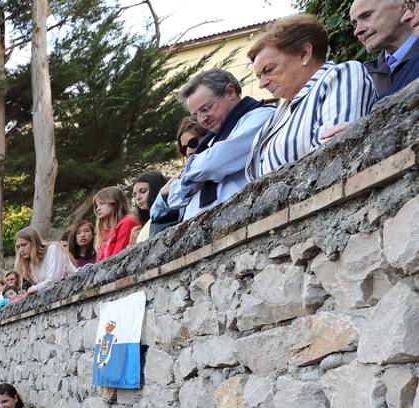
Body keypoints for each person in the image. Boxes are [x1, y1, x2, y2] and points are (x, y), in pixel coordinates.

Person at [246, 15, 377, 180]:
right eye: (259, 76)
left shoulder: (341, 75)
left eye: (268, 69)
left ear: (304, 54)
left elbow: (336, 153)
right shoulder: (281, 111)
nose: (262, 84)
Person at [167, 69, 274, 221]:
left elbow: (213, 164)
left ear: (230, 92)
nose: (202, 120)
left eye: (205, 109)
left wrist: (188, 174)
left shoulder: (261, 117)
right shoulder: (210, 143)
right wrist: (196, 172)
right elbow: (175, 199)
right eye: (196, 116)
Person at [353, 0, 419, 96]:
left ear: (404, 6)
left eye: (367, 15)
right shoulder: (362, 77)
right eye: (354, 24)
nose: (357, 31)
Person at [14, 227, 76, 294]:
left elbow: (54, 280)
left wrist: (31, 289)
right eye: (18, 247)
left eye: (24, 245)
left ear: (34, 242)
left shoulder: (53, 249)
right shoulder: (31, 263)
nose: (21, 250)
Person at [92, 187, 140, 260]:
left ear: (114, 203)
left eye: (102, 203)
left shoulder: (128, 222)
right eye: (97, 205)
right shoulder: (106, 230)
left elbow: (117, 258)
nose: (97, 208)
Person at [131, 171, 170, 243]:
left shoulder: (167, 216)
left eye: (143, 191)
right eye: (135, 194)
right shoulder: (145, 225)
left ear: (157, 189)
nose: (137, 198)